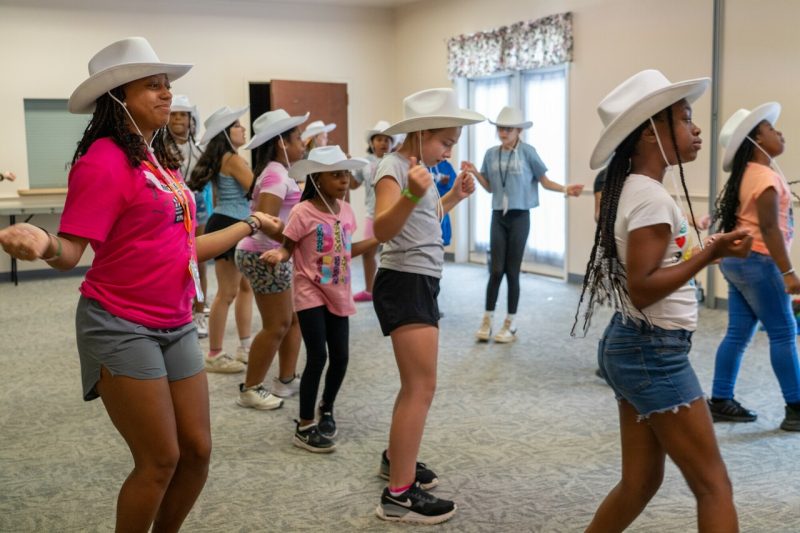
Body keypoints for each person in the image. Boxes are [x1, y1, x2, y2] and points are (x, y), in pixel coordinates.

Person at [0, 37, 282, 532]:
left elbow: (181, 248)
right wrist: (41, 241)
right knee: (159, 461)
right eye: (151, 86)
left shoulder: (158, 160)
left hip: (175, 322)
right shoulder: (104, 160)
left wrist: (249, 225)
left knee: (197, 452)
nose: (166, 94)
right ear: (117, 98)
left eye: (166, 85)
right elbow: (69, 253)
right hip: (119, 324)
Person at [572, 69, 752, 532]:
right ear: (652, 132)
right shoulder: (650, 197)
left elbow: (657, 268)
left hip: (633, 345)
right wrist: (710, 252)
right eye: (686, 119)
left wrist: (706, 249)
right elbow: (644, 285)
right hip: (653, 353)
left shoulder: (637, 189)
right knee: (715, 486)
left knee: (641, 481)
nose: (696, 129)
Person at [372, 88, 484, 524]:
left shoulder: (416, 169)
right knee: (421, 387)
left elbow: (422, 219)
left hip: (420, 280)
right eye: (445, 142)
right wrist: (413, 194)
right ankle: (399, 494)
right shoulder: (393, 168)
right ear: (420, 134)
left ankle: (397, 461)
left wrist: (452, 195)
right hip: (404, 282)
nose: (450, 150)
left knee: (415, 385)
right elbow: (384, 228)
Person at [262, 146, 377, 451]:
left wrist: (380, 238)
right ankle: (304, 424)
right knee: (318, 356)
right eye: (335, 174)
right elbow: (288, 246)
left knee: (341, 357)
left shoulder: (347, 210)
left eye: (345, 174)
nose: (343, 180)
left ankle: (326, 408)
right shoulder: (303, 211)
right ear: (317, 178)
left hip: (339, 291)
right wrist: (279, 253)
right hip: (309, 291)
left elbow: (349, 250)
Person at [709, 102, 800, 431]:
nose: (780, 133)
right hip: (761, 263)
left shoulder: (746, 175)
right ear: (757, 141)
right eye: (772, 130)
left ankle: (720, 400)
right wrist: (788, 273)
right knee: (784, 333)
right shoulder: (763, 177)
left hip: (738, 263)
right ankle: (796, 408)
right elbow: (771, 229)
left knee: (737, 333)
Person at [465, 106, 584, 344]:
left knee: (512, 271)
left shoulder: (528, 152)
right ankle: (487, 319)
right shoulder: (491, 154)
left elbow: (544, 181)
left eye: (507, 128)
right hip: (498, 215)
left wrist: (565, 189)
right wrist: (475, 173)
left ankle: (510, 322)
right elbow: (490, 188)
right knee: (495, 270)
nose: (503, 132)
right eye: (500, 128)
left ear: (519, 130)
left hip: (520, 216)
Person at [234, 109, 310, 409]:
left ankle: (286, 379)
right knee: (276, 325)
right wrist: (292, 245)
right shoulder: (277, 174)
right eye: (298, 137)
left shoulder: (277, 171)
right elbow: (264, 221)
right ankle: (250, 388)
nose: (303, 143)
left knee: (292, 320)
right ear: (282, 142)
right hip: (264, 254)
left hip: (272, 252)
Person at [188, 105, 254, 373]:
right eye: (238, 126)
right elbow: (255, 189)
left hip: (227, 221)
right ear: (227, 133)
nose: (243, 129)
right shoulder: (234, 159)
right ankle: (215, 354)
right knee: (228, 292)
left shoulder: (223, 158)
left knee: (245, 289)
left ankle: (245, 347)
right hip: (233, 223)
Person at [166, 95, 210, 338]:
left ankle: (200, 312)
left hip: (199, 207)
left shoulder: (200, 149)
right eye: (174, 114)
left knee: (199, 260)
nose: (178, 119)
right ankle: (176, 310)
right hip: (172, 207)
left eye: (183, 114)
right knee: (173, 258)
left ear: (191, 119)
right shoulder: (158, 147)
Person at [349, 120, 393, 302]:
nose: (383, 143)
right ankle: (370, 290)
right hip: (371, 214)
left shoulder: (395, 161)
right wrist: (346, 169)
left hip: (393, 213)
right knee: (368, 252)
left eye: (387, 140)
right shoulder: (364, 163)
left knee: (395, 254)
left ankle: (393, 290)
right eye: (379, 139)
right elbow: (353, 185)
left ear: (393, 143)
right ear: (372, 142)